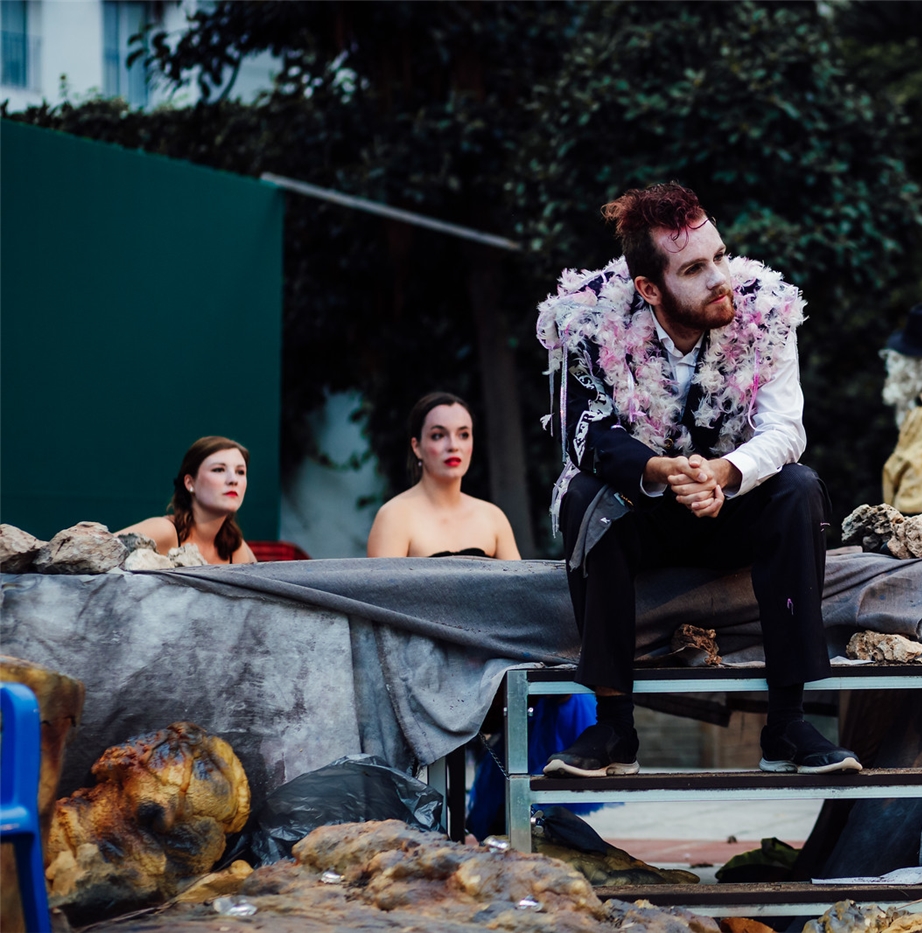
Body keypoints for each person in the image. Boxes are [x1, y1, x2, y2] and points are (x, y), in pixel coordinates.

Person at [535, 181, 862, 778]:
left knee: (800, 487)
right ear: (649, 288)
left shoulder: (767, 313)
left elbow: (786, 429)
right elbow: (582, 434)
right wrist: (661, 470)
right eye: (694, 268)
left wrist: (724, 472)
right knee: (583, 496)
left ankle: (787, 725)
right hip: (642, 512)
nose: (719, 278)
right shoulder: (585, 319)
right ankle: (614, 728)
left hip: (733, 507)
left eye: (720, 255)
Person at [367, 392, 521, 559]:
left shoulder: (493, 518)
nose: (453, 446)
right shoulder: (394, 517)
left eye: (463, 435)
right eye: (438, 435)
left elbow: (521, 577)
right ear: (417, 447)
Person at [119, 436, 257, 564]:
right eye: (218, 470)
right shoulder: (165, 530)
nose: (233, 480)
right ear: (190, 483)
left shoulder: (236, 549)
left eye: (240, 472)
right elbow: (105, 549)